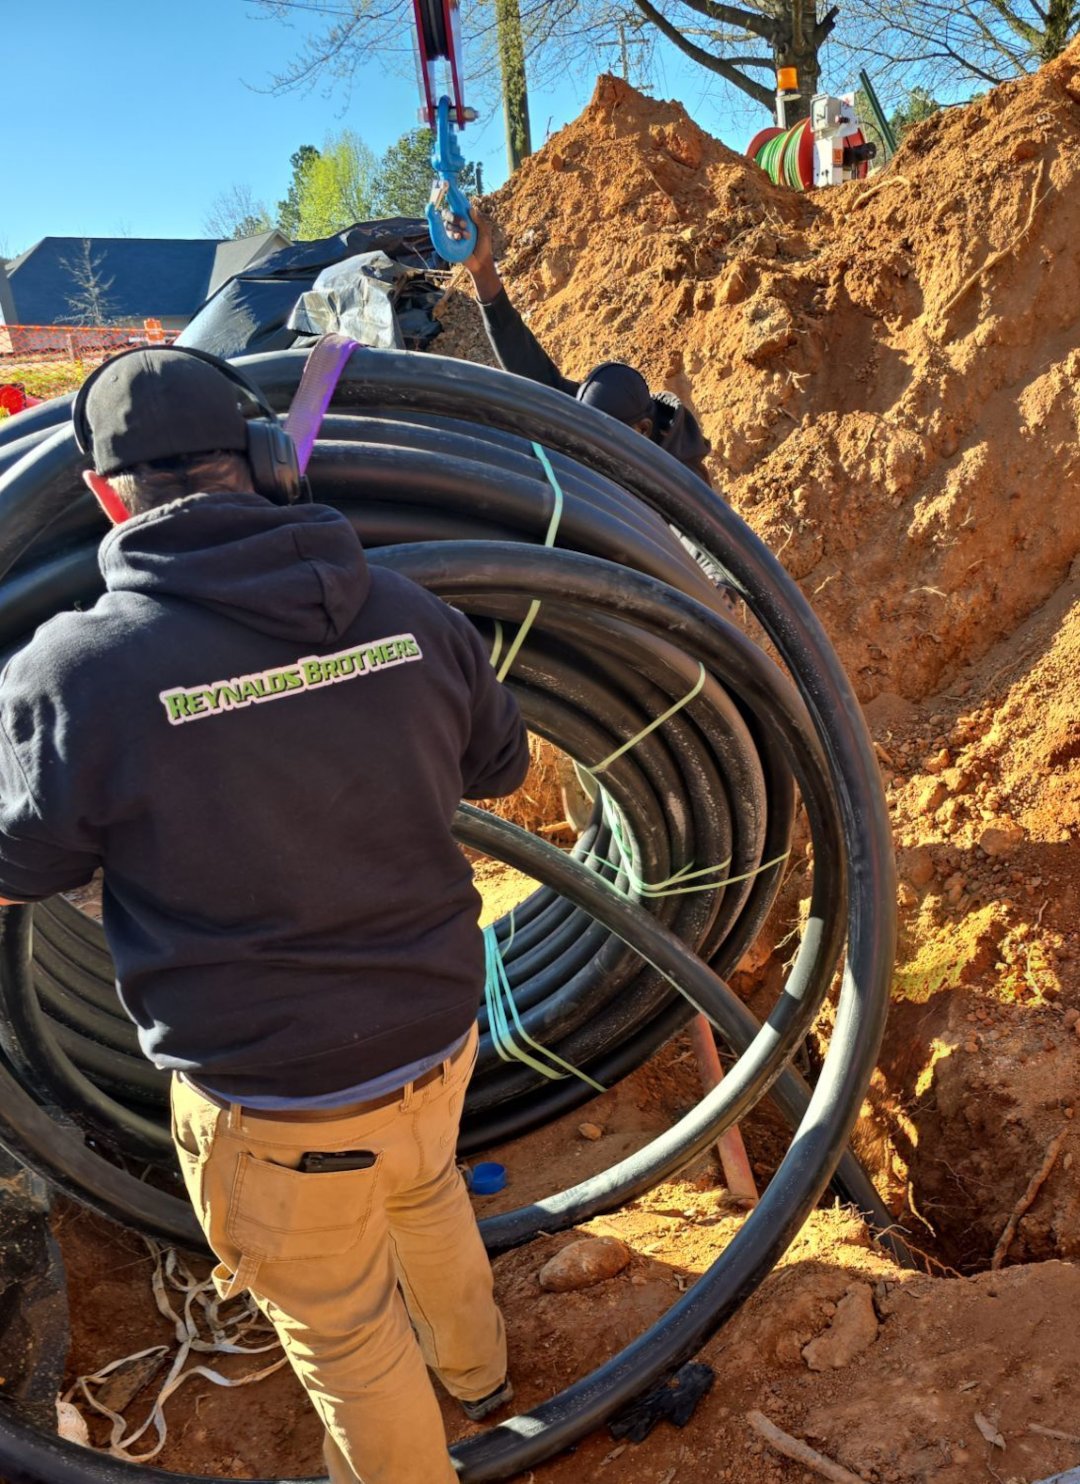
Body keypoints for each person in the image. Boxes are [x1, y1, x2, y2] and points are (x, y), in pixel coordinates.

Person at [0, 347, 530, 1484]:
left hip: (277, 1102)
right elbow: (503, 764)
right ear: (265, 464)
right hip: (439, 1033)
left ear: (103, 495)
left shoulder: (74, 674)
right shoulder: (413, 609)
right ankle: (484, 1377)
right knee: (428, 1189)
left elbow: (18, 862)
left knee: (343, 1326)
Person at [454, 206, 713, 484]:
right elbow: (533, 372)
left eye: (600, 443)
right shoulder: (609, 418)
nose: (592, 453)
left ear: (643, 429)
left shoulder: (685, 488)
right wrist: (483, 273)